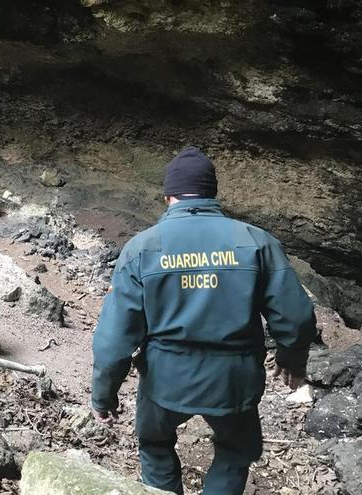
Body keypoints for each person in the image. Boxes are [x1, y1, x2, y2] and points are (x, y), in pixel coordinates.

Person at [90, 146, 317, 495]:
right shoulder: (256, 242)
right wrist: (291, 360)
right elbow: (297, 316)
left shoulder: (142, 248)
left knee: (155, 447)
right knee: (234, 453)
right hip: (234, 382)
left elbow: (115, 337)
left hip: (165, 381)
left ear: (168, 195)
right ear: (212, 193)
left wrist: (104, 397)